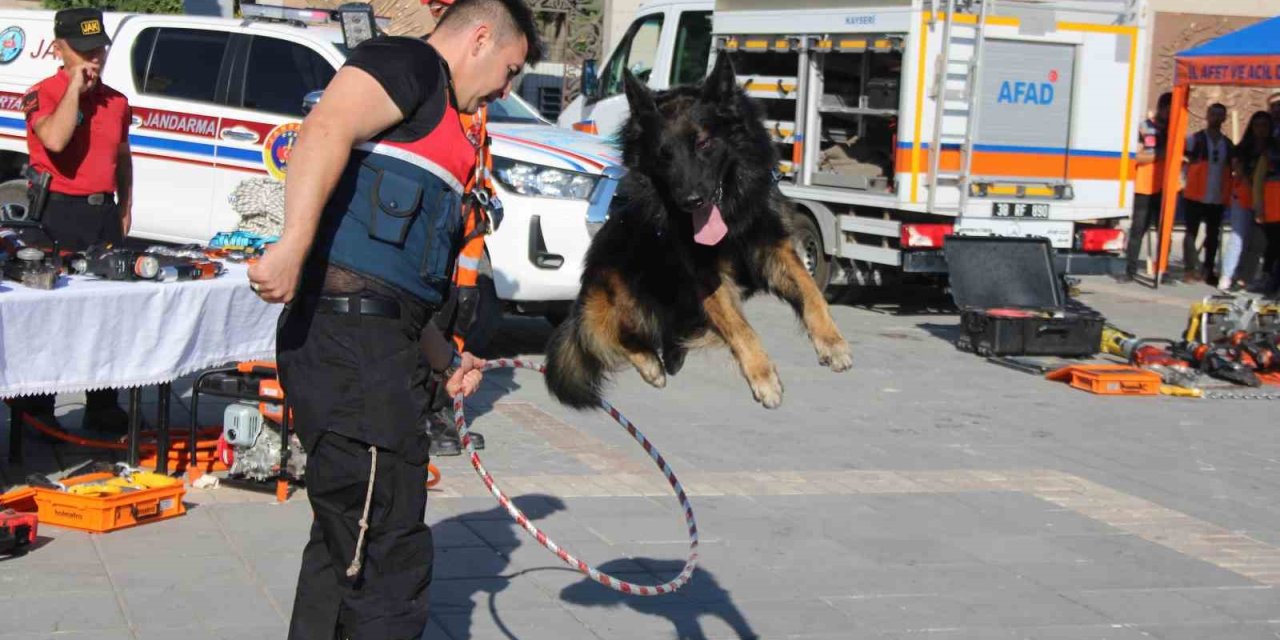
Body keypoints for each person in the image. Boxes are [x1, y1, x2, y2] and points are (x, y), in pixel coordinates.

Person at [245, 0, 541, 636]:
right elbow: (325, 128)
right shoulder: (410, 63)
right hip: (350, 348)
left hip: (373, 342)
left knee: (347, 542)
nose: (506, 88)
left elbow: (396, 286)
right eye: (510, 69)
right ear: (480, 38)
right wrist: (292, 245)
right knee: (387, 551)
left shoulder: (447, 120)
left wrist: (444, 357)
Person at [12, 8, 133, 434]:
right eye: (83, 51)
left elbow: (122, 156)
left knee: (108, 314)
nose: (93, 58)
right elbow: (56, 139)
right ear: (59, 49)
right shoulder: (42, 94)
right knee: (50, 316)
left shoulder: (116, 101)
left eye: (98, 49)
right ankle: (37, 408)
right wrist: (74, 91)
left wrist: (125, 205)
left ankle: (102, 404)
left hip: (102, 213)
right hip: (57, 212)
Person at [421, 0, 497, 457]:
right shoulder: (431, 68)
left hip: (470, 216)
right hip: (443, 214)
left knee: (462, 309)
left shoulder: (478, 70)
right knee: (431, 312)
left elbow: (480, 144)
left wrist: (488, 194)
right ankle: (423, 411)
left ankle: (445, 405)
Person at [1119, 91, 1172, 284]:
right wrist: (1159, 154)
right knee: (1138, 230)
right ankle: (1130, 270)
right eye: (1168, 109)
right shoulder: (1144, 128)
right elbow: (1136, 157)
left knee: (1164, 233)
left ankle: (1162, 270)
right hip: (1144, 187)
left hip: (1166, 188)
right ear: (1161, 108)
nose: (1170, 114)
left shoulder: (1174, 130)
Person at [1180, 103, 1232, 283]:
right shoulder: (1194, 139)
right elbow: (1182, 161)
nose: (1216, 118)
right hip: (1194, 194)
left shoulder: (1227, 144)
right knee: (1191, 233)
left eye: (1220, 115)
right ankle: (1189, 269)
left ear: (1224, 118)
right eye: (1213, 114)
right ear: (1207, 115)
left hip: (1217, 196)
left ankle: (1208, 270)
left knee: (1213, 235)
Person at [1220, 111, 1272, 292]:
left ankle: (1249, 276)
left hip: (1266, 199)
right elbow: (1238, 170)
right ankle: (1227, 275)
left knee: (1258, 240)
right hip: (1243, 197)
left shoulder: (1272, 148)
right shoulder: (1244, 148)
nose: (1261, 129)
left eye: (1264, 125)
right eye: (1257, 125)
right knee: (1238, 236)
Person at [1250, 124, 1280, 296]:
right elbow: (1258, 183)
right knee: (1273, 247)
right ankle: (1268, 279)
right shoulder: (1268, 157)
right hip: (1272, 210)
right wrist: (1259, 207)